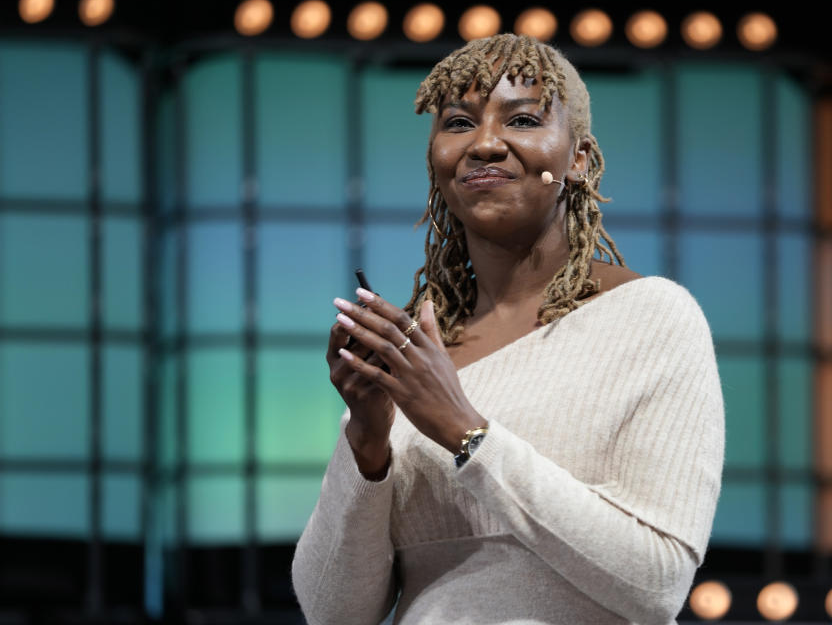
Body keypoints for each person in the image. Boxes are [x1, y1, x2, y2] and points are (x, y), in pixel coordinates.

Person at [292, 33, 724, 625]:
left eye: (521, 119)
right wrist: (367, 441)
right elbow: (330, 613)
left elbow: (656, 582)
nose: (485, 144)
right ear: (436, 160)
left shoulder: (652, 318)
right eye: (459, 123)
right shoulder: (418, 350)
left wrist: (467, 432)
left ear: (576, 158)